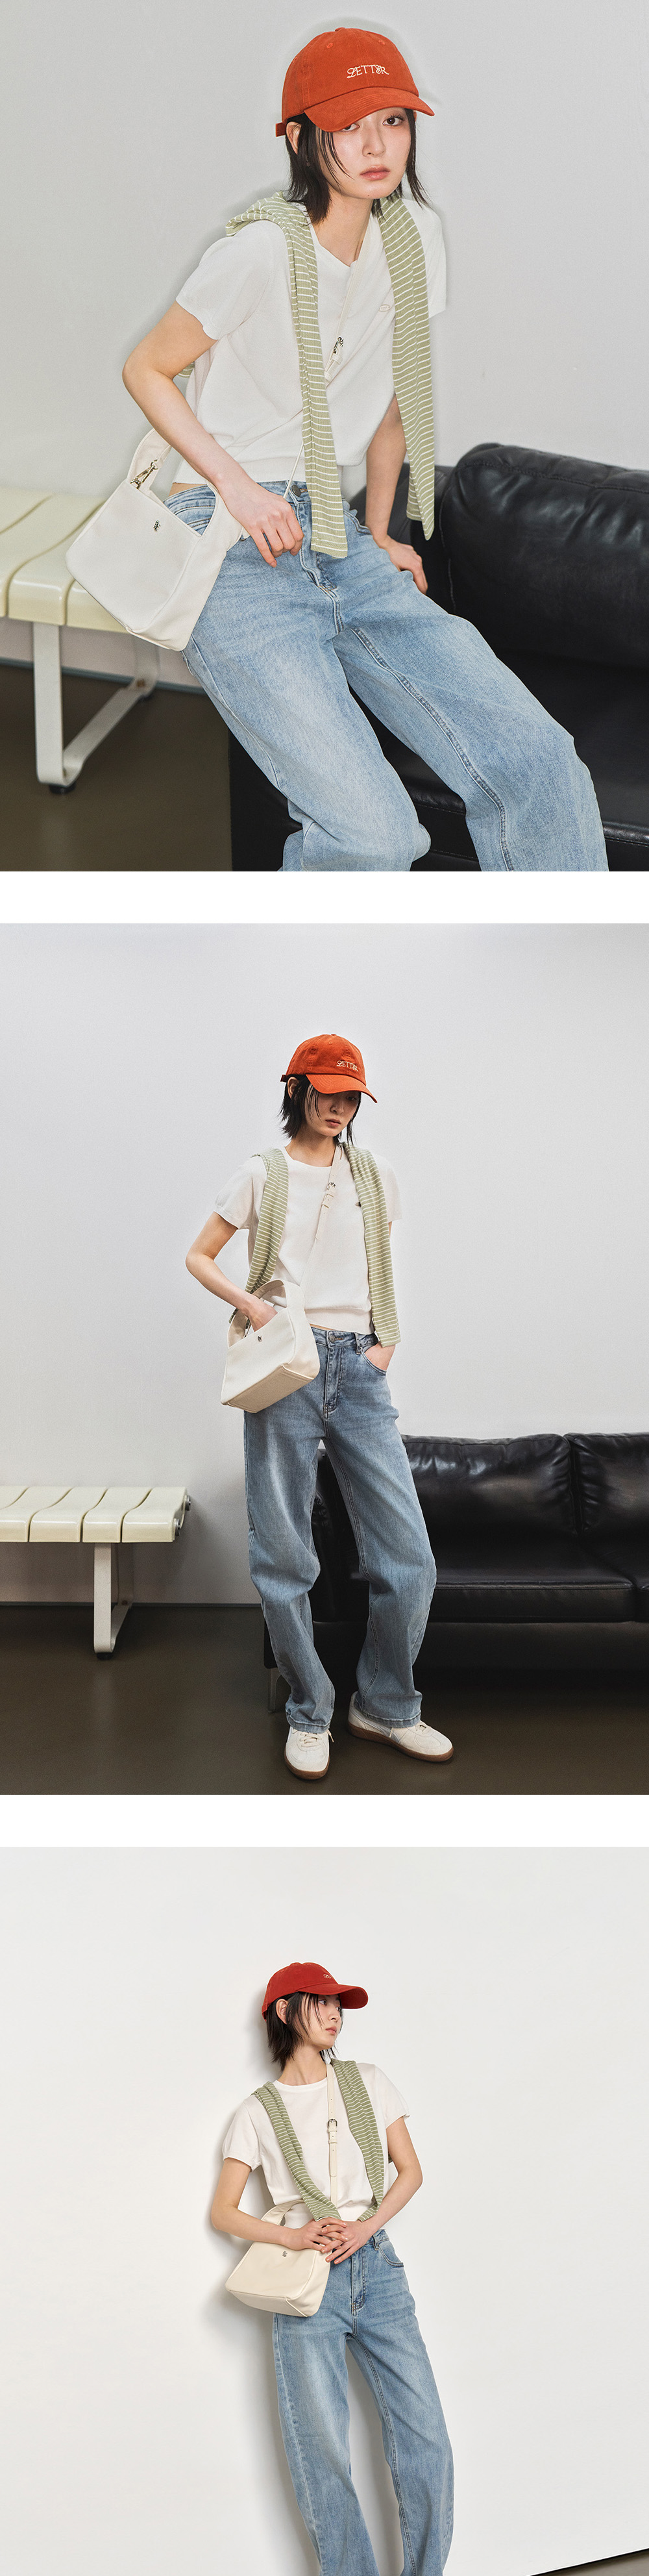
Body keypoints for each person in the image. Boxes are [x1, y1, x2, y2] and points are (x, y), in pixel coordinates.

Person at [121, 27, 608, 879]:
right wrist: (237, 489)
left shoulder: (414, 238)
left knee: (538, 762)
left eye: (394, 120)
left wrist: (381, 529)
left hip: (335, 534)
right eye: (349, 127)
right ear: (300, 138)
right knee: (371, 836)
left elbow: (390, 399)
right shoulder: (259, 251)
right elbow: (147, 368)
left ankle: (557, 954)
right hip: (229, 541)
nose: (378, 145)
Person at [210, 1955, 498, 2576]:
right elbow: (223, 2212)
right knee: (323, 2450)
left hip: (378, 2270)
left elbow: (410, 2171)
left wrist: (364, 2229)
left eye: (340, 2003)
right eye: (321, 2001)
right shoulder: (257, 2112)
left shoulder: (368, 2081)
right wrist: (295, 2235)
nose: (336, 2013)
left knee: (425, 2436)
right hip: (308, 2283)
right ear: (284, 2012)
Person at [187, 1029, 450, 1777]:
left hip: (358, 1366)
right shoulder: (261, 1173)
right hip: (286, 1366)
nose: (339, 1108)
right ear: (297, 1090)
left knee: (409, 1559)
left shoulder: (373, 1173)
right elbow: (199, 1255)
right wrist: (254, 1306)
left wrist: (386, 1340)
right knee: (284, 1557)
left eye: (351, 1098)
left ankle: (386, 1706)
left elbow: (378, 1264)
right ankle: (309, 1712)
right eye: (327, 1094)